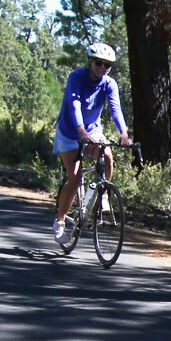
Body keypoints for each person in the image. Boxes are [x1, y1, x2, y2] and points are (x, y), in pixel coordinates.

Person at [52, 42, 132, 246]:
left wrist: (123, 133)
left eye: (107, 65)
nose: (103, 68)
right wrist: (81, 131)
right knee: (76, 178)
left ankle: (103, 195)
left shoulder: (109, 84)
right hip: (70, 132)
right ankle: (60, 221)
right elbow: (74, 104)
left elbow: (115, 109)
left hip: (93, 130)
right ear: (90, 62)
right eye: (99, 63)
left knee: (107, 157)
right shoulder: (76, 78)